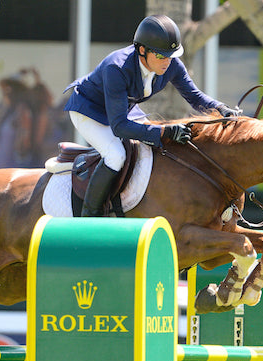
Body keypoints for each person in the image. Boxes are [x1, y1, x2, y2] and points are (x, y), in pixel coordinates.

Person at [64, 14, 240, 217]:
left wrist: (221, 109)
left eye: (171, 55)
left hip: (124, 108)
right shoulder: (117, 68)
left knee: (154, 148)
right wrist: (165, 131)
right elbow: (119, 126)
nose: (167, 62)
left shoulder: (171, 64)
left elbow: (194, 96)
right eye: (161, 56)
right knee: (116, 156)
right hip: (89, 111)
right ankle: (89, 216)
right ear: (142, 50)